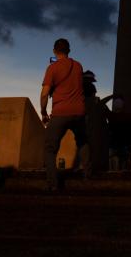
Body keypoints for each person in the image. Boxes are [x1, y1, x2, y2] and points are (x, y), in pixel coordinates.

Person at [40, 38, 90, 191]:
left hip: (60, 112)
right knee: (82, 142)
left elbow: (44, 94)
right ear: (69, 50)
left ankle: (53, 185)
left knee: (50, 148)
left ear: (55, 51)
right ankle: (88, 176)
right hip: (79, 111)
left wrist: (43, 112)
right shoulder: (78, 66)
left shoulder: (52, 68)